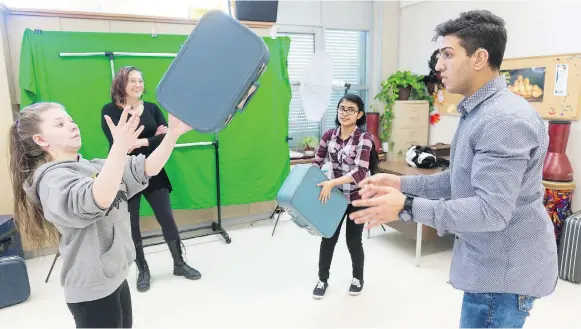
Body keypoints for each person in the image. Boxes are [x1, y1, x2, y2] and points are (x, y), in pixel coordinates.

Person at [348, 10, 558, 328]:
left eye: (448, 54)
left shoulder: (504, 120)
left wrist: (406, 207)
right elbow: (458, 180)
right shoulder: (478, 112)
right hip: (488, 266)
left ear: (479, 58)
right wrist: (401, 184)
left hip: (502, 276)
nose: (438, 66)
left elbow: (490, 211)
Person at [9, 101, 192, 328]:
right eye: (60, 124)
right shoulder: (51, 181)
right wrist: (119, 148)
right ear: (41, 140)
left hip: (115, 277)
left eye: (70, 119)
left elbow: (146, 168)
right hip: (92, 291)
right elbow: (96, 200)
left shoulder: (92, 167)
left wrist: (172, 134)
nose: (72, 125)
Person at [101, 66, 201, 293]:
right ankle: (143, 269)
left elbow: (166, 137)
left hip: (153, 170)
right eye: (133, 80)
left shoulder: (153, 109)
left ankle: (179, 263)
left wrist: (140, 143)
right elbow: (119, 144)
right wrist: (149, 139)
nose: (138, 84)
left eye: (140, 80)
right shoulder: (109, 111)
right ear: (121, 84)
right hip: (125, 174)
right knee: (132, 224)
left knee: (166, 217)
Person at [311, 93, 374, 299]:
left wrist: (332, 183)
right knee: (328, 237)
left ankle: (358, 278)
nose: (344, 113)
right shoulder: (329, 135)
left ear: (359, 114)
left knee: (353, 241)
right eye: (342, 108)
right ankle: (322, 279)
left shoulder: (364, 138)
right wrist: (305, 180)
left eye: (350, 110)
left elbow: (360, 172)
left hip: (357, 197)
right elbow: (317, 162)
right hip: (336, 197)